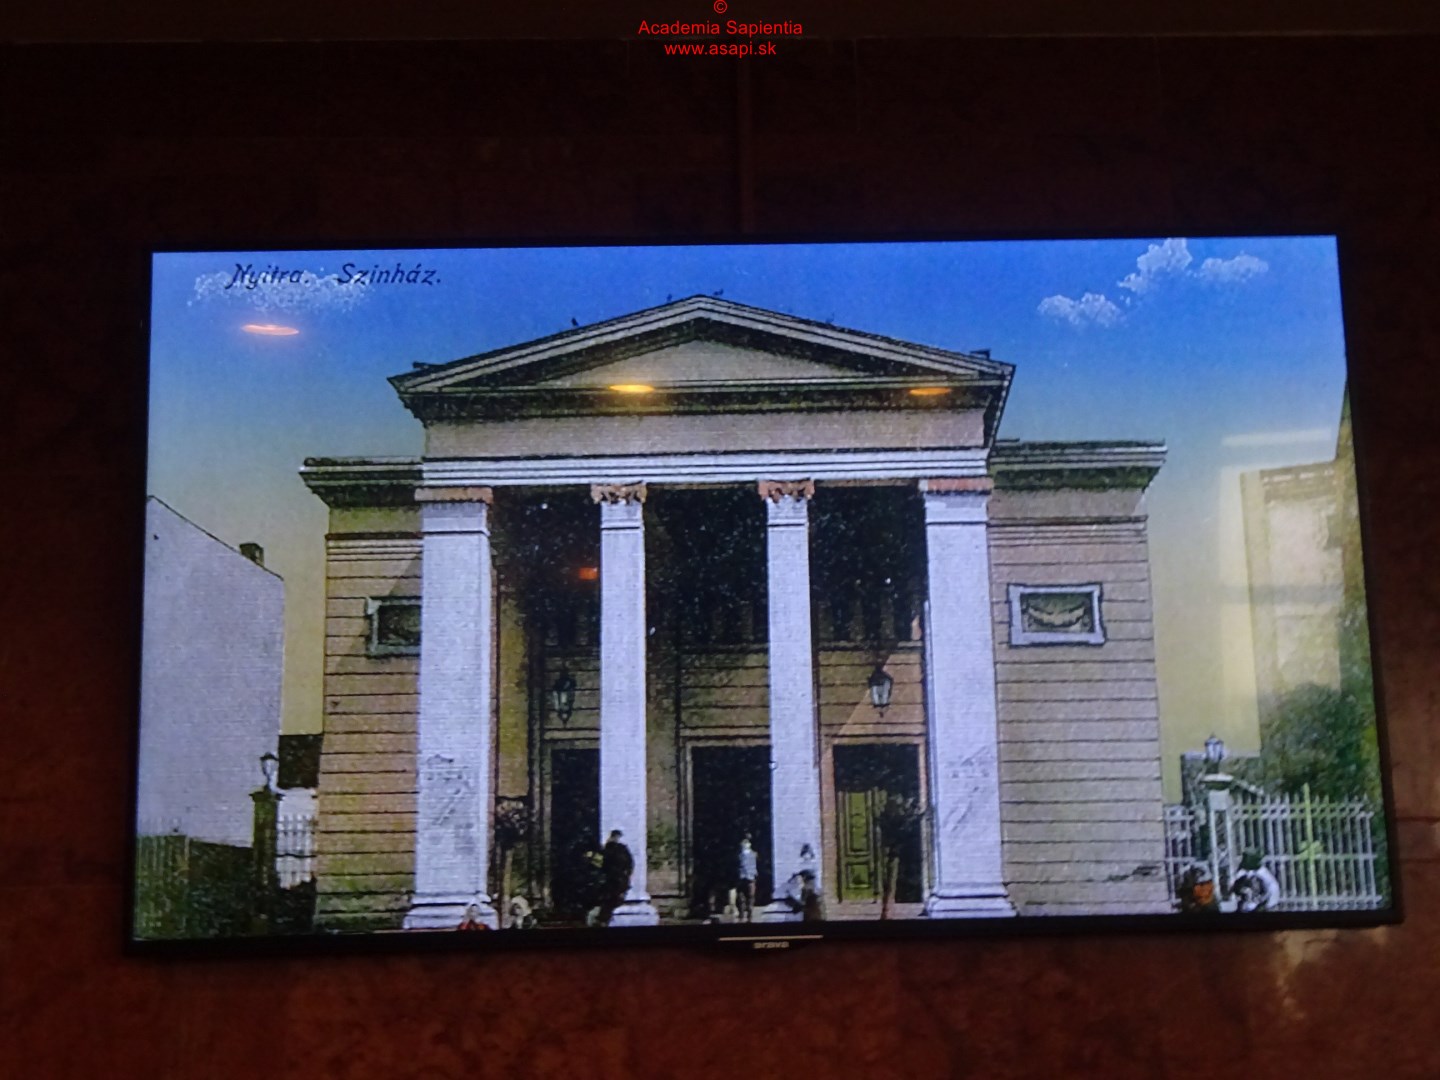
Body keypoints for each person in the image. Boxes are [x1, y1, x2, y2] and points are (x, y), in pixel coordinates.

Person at [599, 829, 634, 926]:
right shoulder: (610, 849)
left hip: (617, 878)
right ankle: (605, 918)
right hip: (614, 879)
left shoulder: (620, 849)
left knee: (614, 899)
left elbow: (629, 863)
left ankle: (606, 918)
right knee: (611, 900)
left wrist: (627, 873)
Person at [737, 836, 758, 922]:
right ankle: (747, 913)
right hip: (749, 877)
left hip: (744, 877)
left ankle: (744, 913)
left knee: (744, 896)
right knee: (749, 896)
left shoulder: (740, 855)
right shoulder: (753, 854)